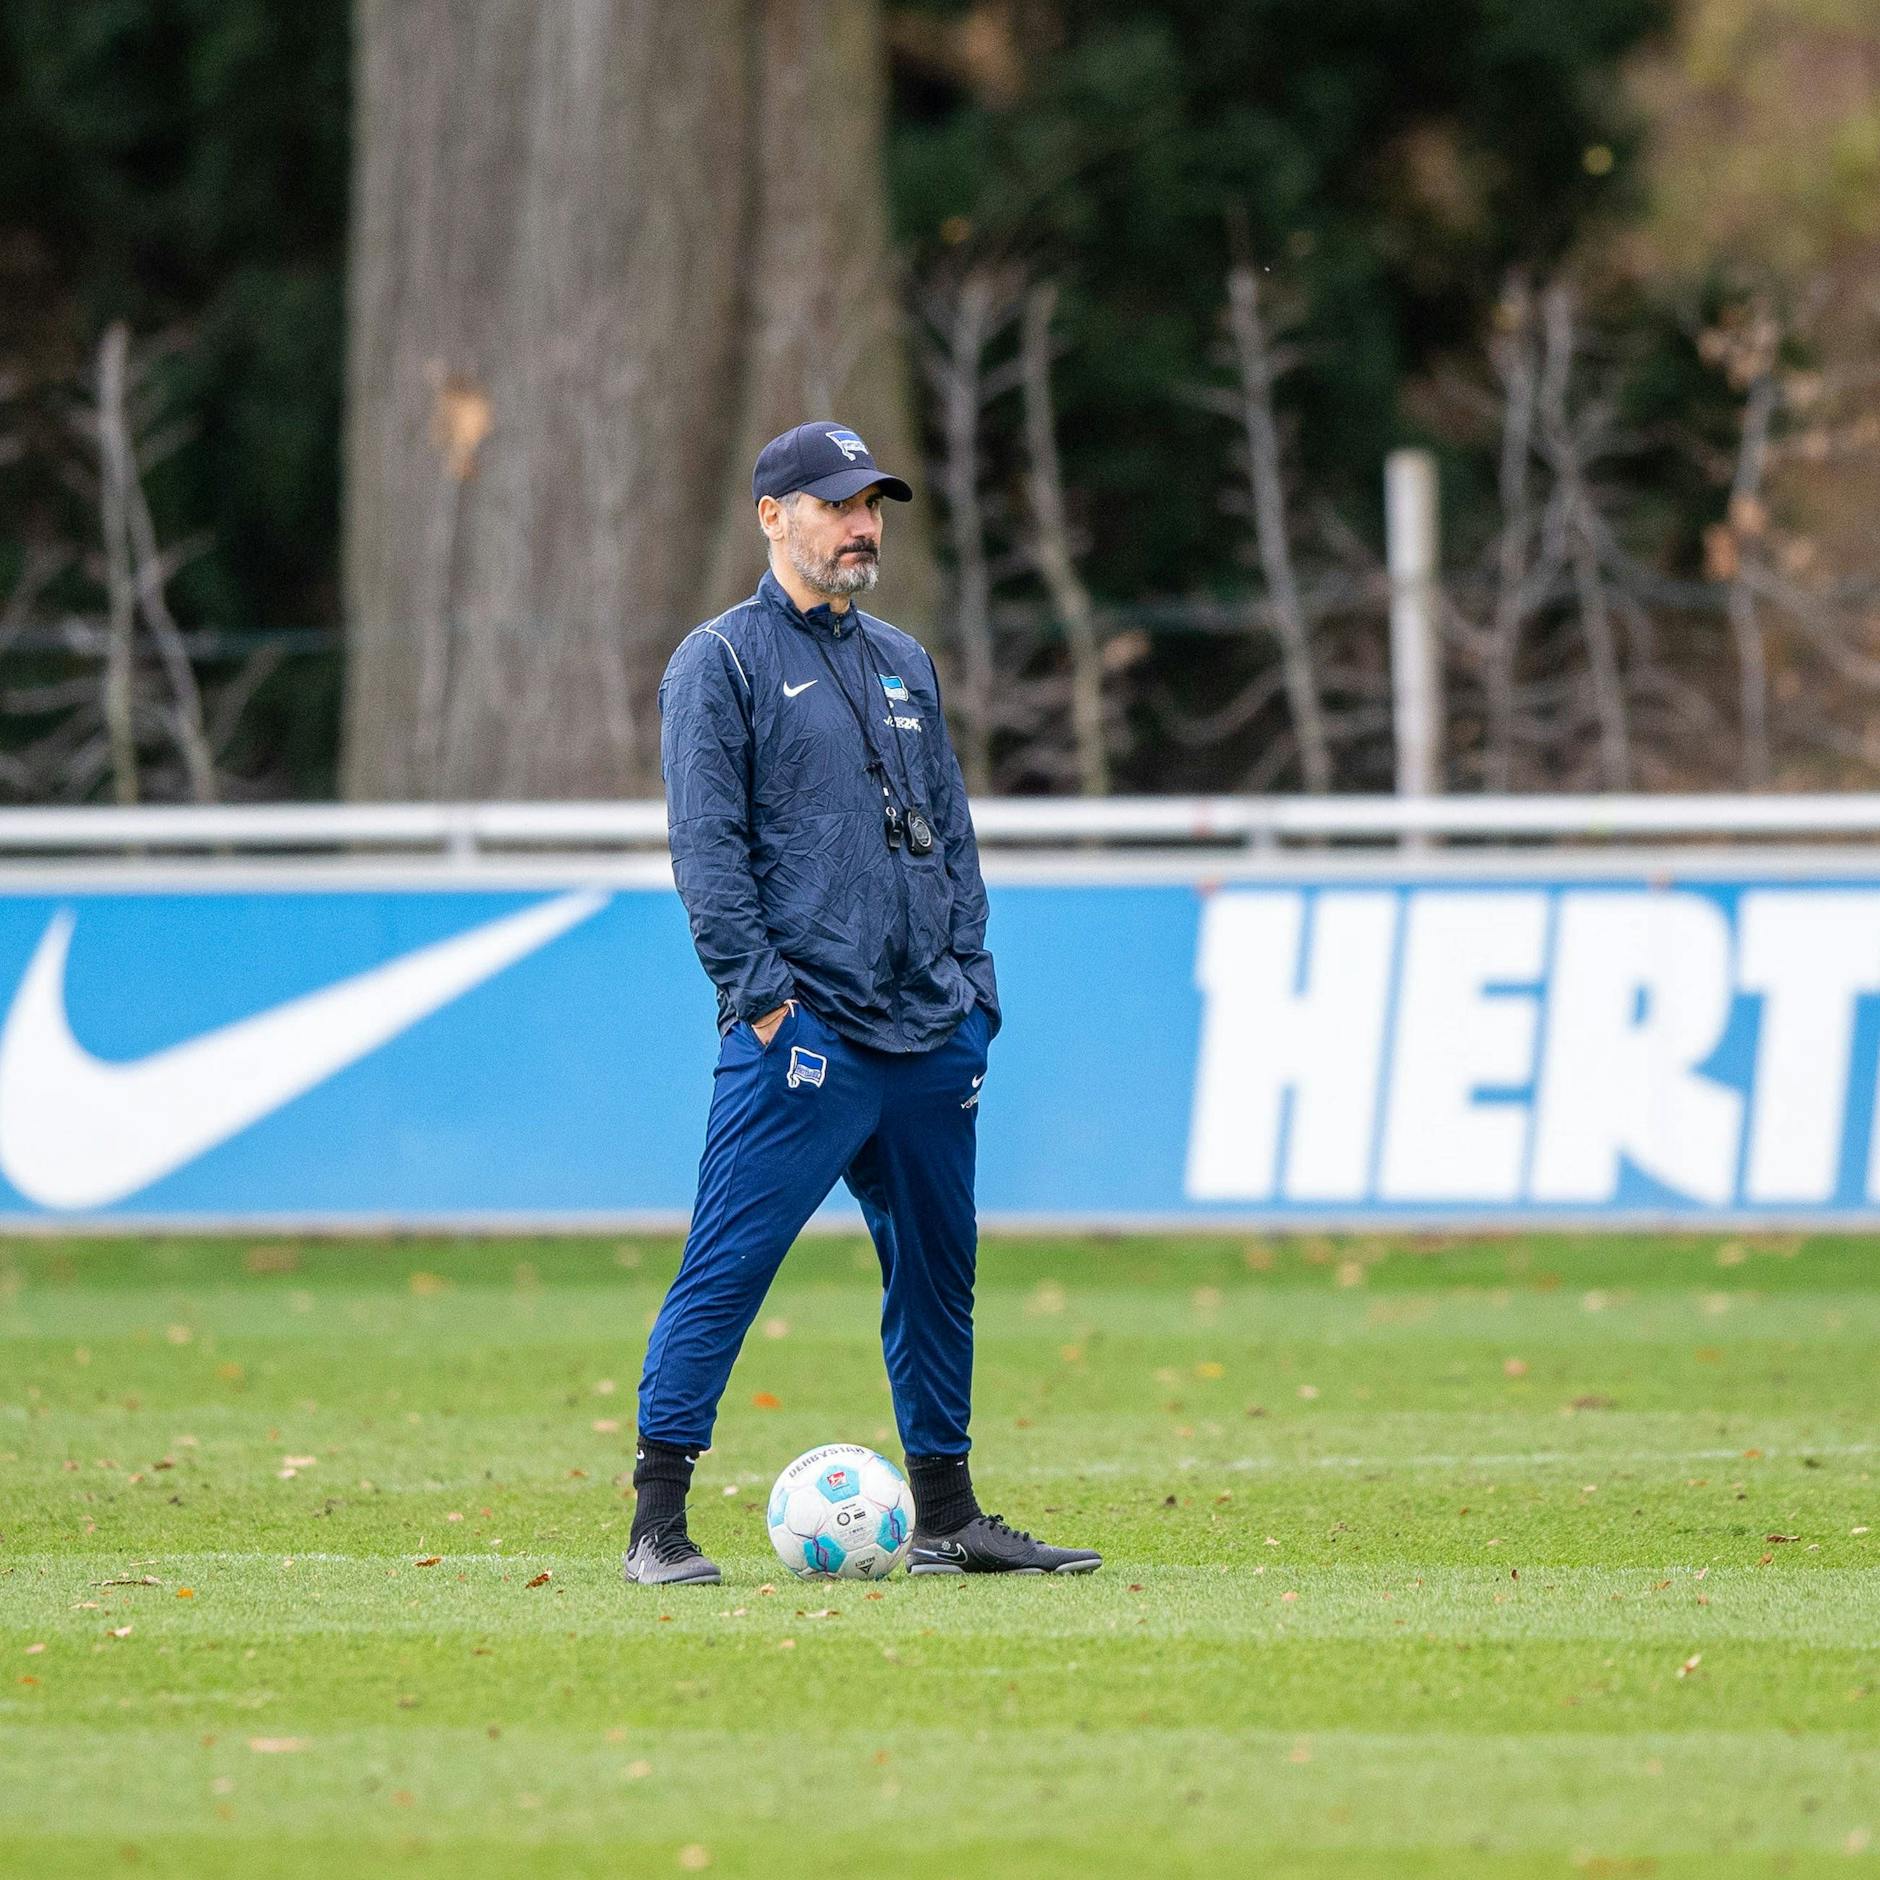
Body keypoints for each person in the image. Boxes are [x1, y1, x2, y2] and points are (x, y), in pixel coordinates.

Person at [624, 420, 1102, 1585]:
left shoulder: (902, 659)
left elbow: (952, 838)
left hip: (931, 1033)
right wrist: (765, 1002)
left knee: (940, 1273)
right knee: (727, 1267)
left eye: (870, 504)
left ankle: (947, 1514)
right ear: (771, 515)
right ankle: (656, 1522)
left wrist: (974, 997)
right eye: (835, 504)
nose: (860, 524)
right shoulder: (720, 661)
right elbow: (708, 852)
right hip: (806, 1036)